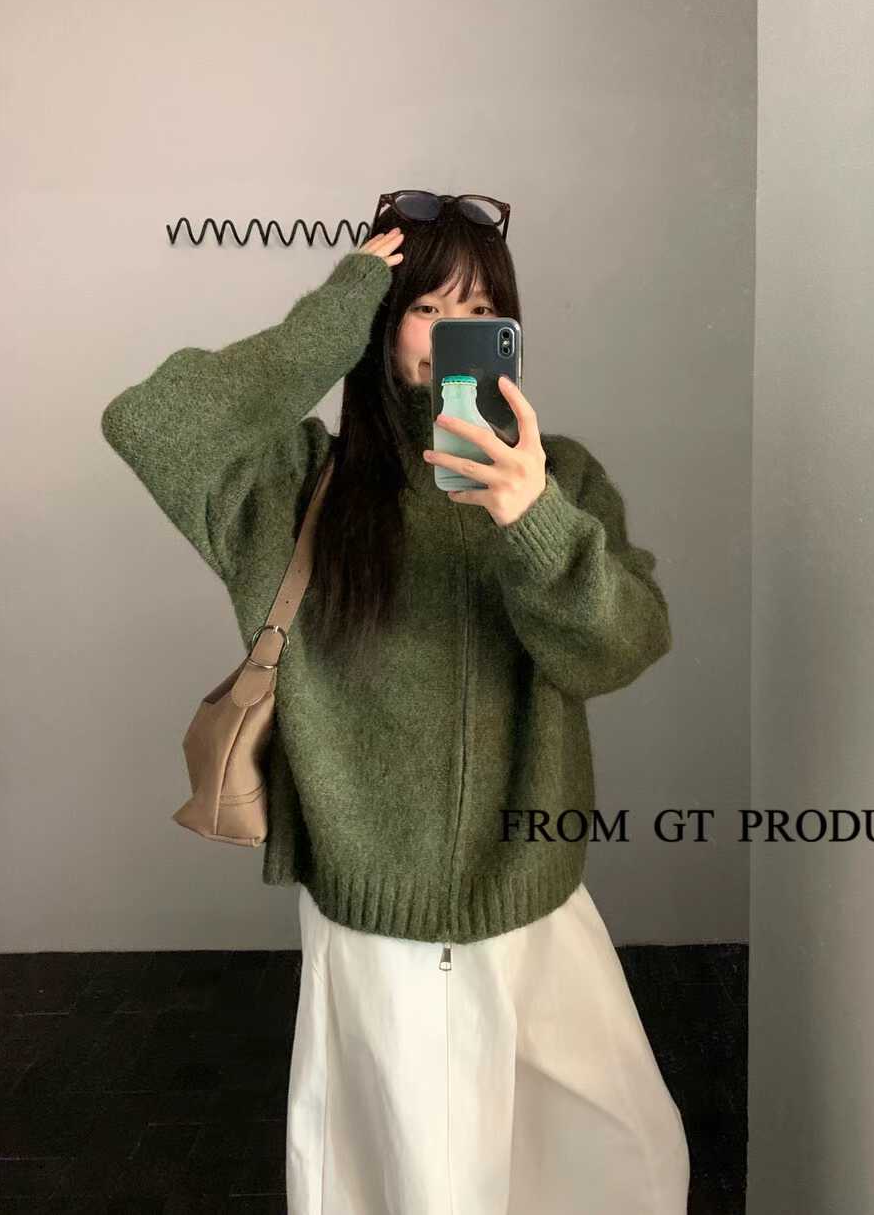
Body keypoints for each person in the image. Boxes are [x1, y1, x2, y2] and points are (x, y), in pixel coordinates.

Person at [101, 190, 691, 1214]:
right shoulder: (297, 488)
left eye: (482, 309)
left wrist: (532, 518)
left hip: (531, 897)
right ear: (381, 322)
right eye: (427, 306)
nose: (455, 330)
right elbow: (152, 419)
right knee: (415, 1181)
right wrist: (338, 304)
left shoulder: (560, 477)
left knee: (621, 1159)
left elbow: (620, 648)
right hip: (376, 920)